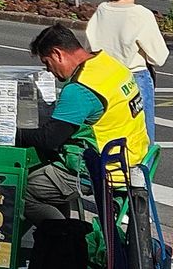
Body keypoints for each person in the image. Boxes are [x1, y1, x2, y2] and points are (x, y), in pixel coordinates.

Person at [18, 23, 150, 227]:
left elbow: (49, 138)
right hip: (133, 158)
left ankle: (66, 238)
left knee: (20, 189)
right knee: (48, 177)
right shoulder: (110, 64)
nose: (49, 71)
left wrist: (10, 133)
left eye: (47, 63)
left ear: (57, 54)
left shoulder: (80, 88)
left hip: (102, 169)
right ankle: (57, 235)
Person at [87, 0, 169, 141]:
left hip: (104, 78)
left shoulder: (102, 10)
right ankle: (140, 168)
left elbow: (90, 47)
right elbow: (159, 56)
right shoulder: (141, 14)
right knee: (142, 135)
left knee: (111, 131)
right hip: (134, 77)